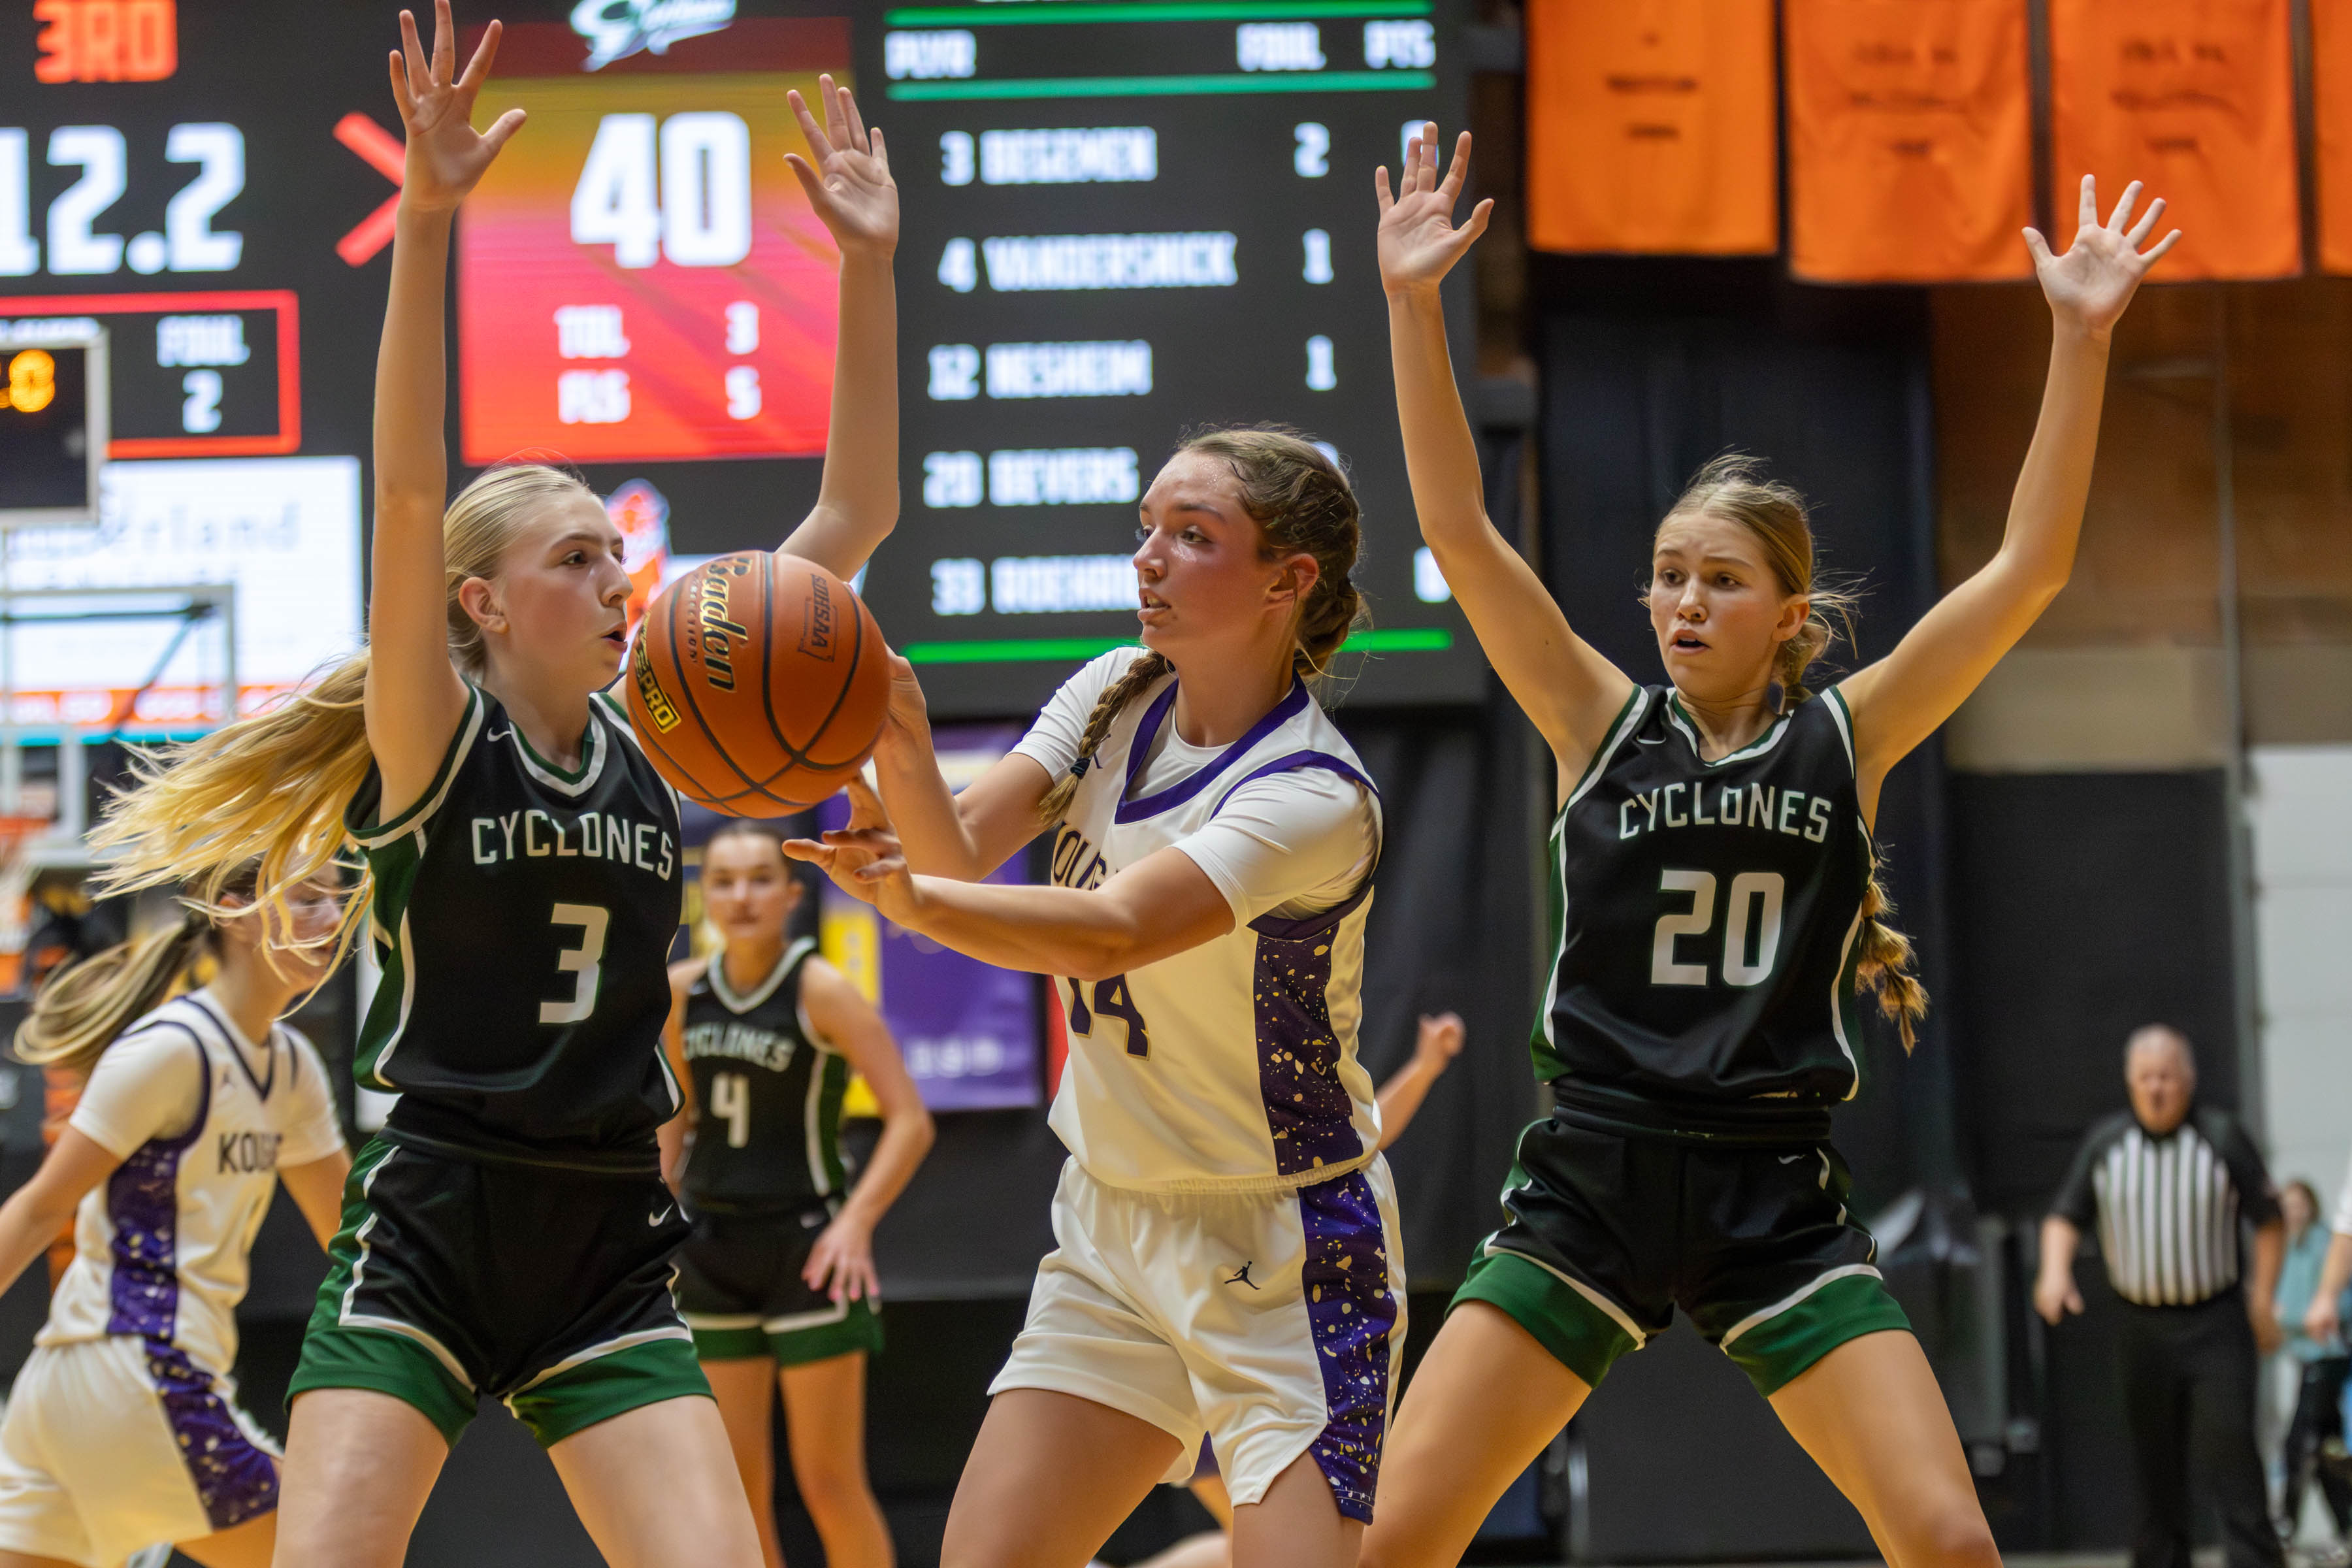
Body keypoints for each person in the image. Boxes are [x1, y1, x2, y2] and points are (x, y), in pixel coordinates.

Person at [78, 6, 903, 1564]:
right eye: (577, 555)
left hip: (604, 1231)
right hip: (434, 1214)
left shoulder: (666, 728)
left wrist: (863, 263)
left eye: (620, 550)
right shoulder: (432, 740)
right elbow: (407, 487)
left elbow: (854, 507)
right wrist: (434, 217)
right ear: (482, 601)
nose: (620, 574)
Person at [1361, 122, 2178, 1568]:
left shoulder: (1847, 739)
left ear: (1787, 615)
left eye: (1719, 580)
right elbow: (1459, 529)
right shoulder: (1592, 717)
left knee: (1951, 1540)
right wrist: (1413, 307)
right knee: (1402, 1537)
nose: (1681, 601)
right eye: (1667, 574)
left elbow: (2030, 566)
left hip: (1773, 1189)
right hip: (1593, 1175)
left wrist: (2081, 342)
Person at [792, 426, 1397, 1568]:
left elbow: (1116, 931)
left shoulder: (1315, 793)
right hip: (1114, 1224)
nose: (1149, 559)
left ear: (1288, 578)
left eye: (1191, 535)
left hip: (1284, 1246)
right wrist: (900, 725)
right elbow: (959, 847)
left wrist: (913, 906)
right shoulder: (1118, 691)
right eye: (1146, 531)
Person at [0, 870, 351, 1568]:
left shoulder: (291, 1069)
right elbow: (40, 1209)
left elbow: (355, 1237)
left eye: (338, 897)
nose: (332, 917)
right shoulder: (172, 1050)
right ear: (237, 913)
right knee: (341, 1552)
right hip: (136, 1369)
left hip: (68, 1392)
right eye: (309, 897)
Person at [657, 821, 935, 1568]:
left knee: (828, 1481)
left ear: (789, 894)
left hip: (808, 1251)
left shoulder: (821, 990)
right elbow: (674, 1119)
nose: (741, 895)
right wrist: (654, 1215)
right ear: (702, 895)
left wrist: (855, 1223)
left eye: (758, 879)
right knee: (740, 1483)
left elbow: (909, 1120)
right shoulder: (682, 994)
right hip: (712, 1249)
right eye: (722, 880)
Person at [1114, 1013, 1467, 1568]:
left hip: (1261, 1364)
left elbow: (1371, 1129)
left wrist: (1426, 1066)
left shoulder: (1292, 1131)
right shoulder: (1183, 1141)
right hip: (1227, 1363)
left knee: (1259, 1545)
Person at [2035, 1027, 2285, 1568]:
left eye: (2167, 1077)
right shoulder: (2107, 1144)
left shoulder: (2222, 1138)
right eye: (2145, 1078)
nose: (2156, 1089)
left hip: (2215, 1322)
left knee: (2232, 1454)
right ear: (2129, 1083)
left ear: (2188, 1081)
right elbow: (2064, 1216)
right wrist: (2053, 1273)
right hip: (2140, 1327)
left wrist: (2263, 1297)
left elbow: (2270, 1222)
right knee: (2154, 1467)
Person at [2275, 1177, 2352, 1555]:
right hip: (2305, 1355)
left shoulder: (2325, 1242)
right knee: (2326, 1449)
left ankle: (2284, 1527)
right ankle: (2346, 1527)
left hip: (2328, 1353)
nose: (2293, 1212)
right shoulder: (2288, 1246)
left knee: (2300, 1443)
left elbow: (2319, 1306)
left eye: (2299, 1204)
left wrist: (2302, 1312)